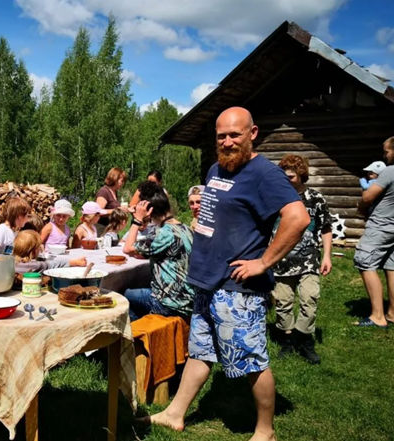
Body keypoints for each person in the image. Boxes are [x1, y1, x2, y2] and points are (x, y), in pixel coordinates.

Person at [145, 107, 309, 441]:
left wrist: (263, 262)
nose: (228, 142)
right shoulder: (216, 169)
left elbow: (298, 218)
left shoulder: (265, 174)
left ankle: (266, 431)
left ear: (253, 133)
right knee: (201, 351)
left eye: (235, 135)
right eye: (222, 136)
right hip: (207, 280)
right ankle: (175, 414)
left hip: (239, 287)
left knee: (252, 360)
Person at [272, 155, 332, 365]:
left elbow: (325, 228)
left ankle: (303, 339)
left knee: (309, 299)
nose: (287, 180)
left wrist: (326, 256)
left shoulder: (315, 199)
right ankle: (288, 340)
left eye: (291, 176)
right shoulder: (274, 198)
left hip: (308, 261)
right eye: (284, 176)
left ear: (301, 175)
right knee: (283, 302)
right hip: (280, 261)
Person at [123, 184, 194, 321]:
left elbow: (127, 248)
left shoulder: (163, 233)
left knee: (124, 295)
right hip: (187, 299)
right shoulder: (185, 228)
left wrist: (137, 220)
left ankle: (136, 336)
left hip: (171, 303)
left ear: (150, 211)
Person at [353, 136, 394, 328]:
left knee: (365, 261)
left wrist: (361, 204)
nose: (385, 156)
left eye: (386, 152)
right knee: (392, 267)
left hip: (381, 225)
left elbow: (368, 195)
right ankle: (393, 313)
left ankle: (378, 316)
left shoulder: (390, 171)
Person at [13, 230, 86, 273]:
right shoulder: (36, 265)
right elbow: (54, 264)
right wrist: (76, 262)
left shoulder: (10, 263)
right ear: (34, 251)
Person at [95, 167, 129, 235]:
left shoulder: (114, 192)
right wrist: (117, 210)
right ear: (115, 178)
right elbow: (98, 211)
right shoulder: (104, 191)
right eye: (121, 180)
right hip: (101, 228)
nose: (122, 183)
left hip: (111, 228)